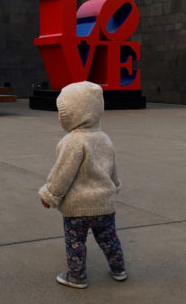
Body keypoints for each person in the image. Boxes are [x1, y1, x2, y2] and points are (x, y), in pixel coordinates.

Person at [39, 80, 127, 288]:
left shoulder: (72, 141)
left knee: (76, 242)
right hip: (104, 205)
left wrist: (49, 195)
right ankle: (118, 269)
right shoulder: (104, 138)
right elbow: (112, 167)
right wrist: (114, 185)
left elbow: (62, 174)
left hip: (77, 208)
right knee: (109, 239)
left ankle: (77, 276)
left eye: (62, 111)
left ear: (76, 113)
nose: (58, 116)